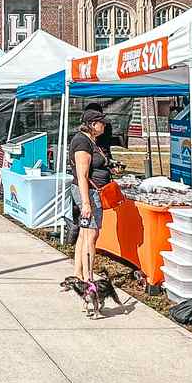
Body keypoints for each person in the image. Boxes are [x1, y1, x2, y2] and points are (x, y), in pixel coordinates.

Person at [69, 107, 114, 317]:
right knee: (91, 235)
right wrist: (86, 203)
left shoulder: (91, 141)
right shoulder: (82, 142)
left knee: (84, 234)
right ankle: (89, 279)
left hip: (92, 192)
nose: (104, 125)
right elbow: (82, 174)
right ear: (92, 125)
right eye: (101, 122)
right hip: (89, 194)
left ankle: (78, 273)